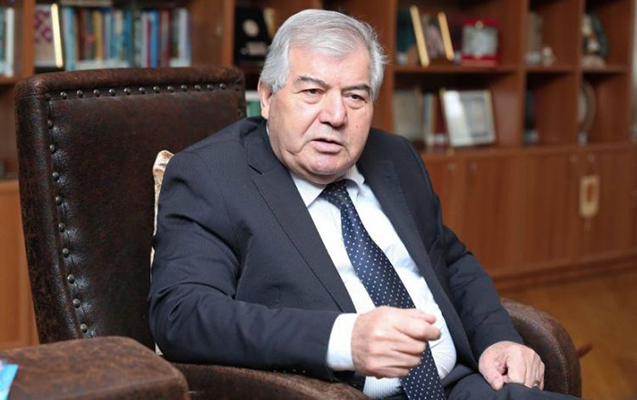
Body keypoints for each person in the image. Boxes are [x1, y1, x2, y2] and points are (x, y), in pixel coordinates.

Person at [149, 9, 580, 400]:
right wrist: (345, 341)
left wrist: (497, 339)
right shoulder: (212, 176)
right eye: (312, 91)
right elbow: (182, 315)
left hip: (462, 387)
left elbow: (451, 261)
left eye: (355, 96)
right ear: (266, 96)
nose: (335, 115)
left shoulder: (395, 156)